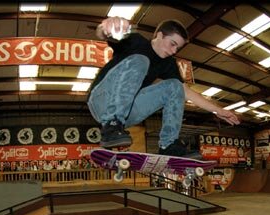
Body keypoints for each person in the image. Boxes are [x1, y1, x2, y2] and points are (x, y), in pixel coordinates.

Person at [87, 16, 239, 157]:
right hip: (101, 100)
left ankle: (168, 145)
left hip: (127, 114)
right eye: (172, 44)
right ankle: (111, 124)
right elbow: (104, 34)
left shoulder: (168, 64)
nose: (173, 51)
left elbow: (186, 92)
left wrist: (218, 110)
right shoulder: (136, 41)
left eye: (177, 48)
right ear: (159, 35)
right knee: (142, 60)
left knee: (175, 86)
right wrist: (106, 27)